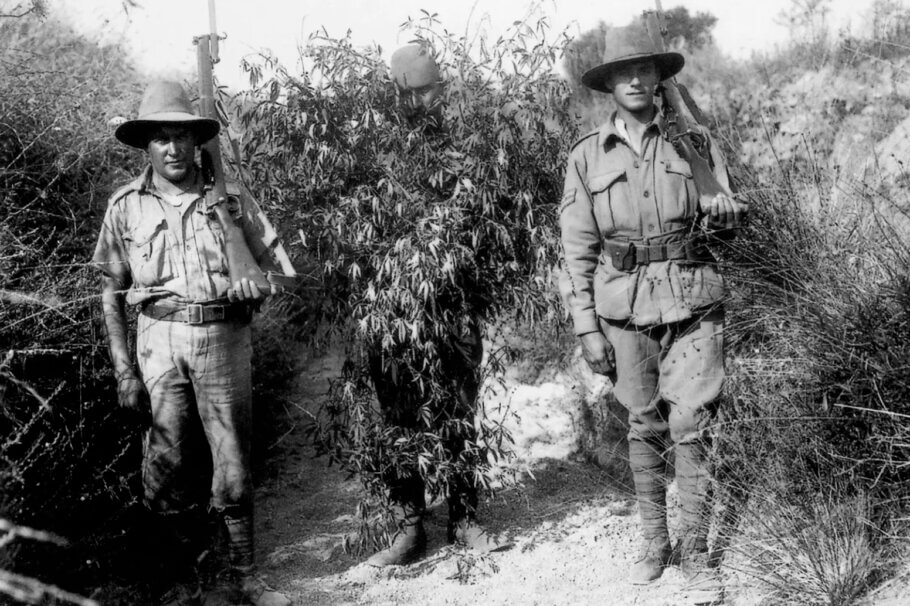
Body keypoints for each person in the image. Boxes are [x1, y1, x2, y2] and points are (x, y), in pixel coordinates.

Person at [558, 25, 746, 605]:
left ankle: (696, 552)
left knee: (693, 422)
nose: (636, 80)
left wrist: (724, 210)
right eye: (623, 72)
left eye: (645, 70)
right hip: (623, 307)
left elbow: (733, 219)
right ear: (609, 86)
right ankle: (653, 544)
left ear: (660, 78)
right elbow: (576, 251)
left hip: (693, 299)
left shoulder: (694, 143)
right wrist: (587, 327)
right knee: (644, 423)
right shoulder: (587, 157)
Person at [93, 80, 290, 606]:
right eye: (161, 138)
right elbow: (110, 292)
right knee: (166, 465)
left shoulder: (230, 199)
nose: (173, 149)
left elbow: (280, 274)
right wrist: (123, 371)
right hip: (156, 342)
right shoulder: (125, 207)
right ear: (146, 146)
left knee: (232, 463)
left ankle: (245, 579)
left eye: (182, 137)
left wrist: (253, 288)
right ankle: (186, 583)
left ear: (197, 143)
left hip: (223, 338)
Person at [362, 44, 506, 567]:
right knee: (398, 420)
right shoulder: (372, 155)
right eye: (414, 92)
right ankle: (409, 529)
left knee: (460, 414)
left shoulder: (465, 150)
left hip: (453, 313)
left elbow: (491, 230)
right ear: (396, 96)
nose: (424, 101)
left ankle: (465, 520)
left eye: (431, 90)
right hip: (392, 319)